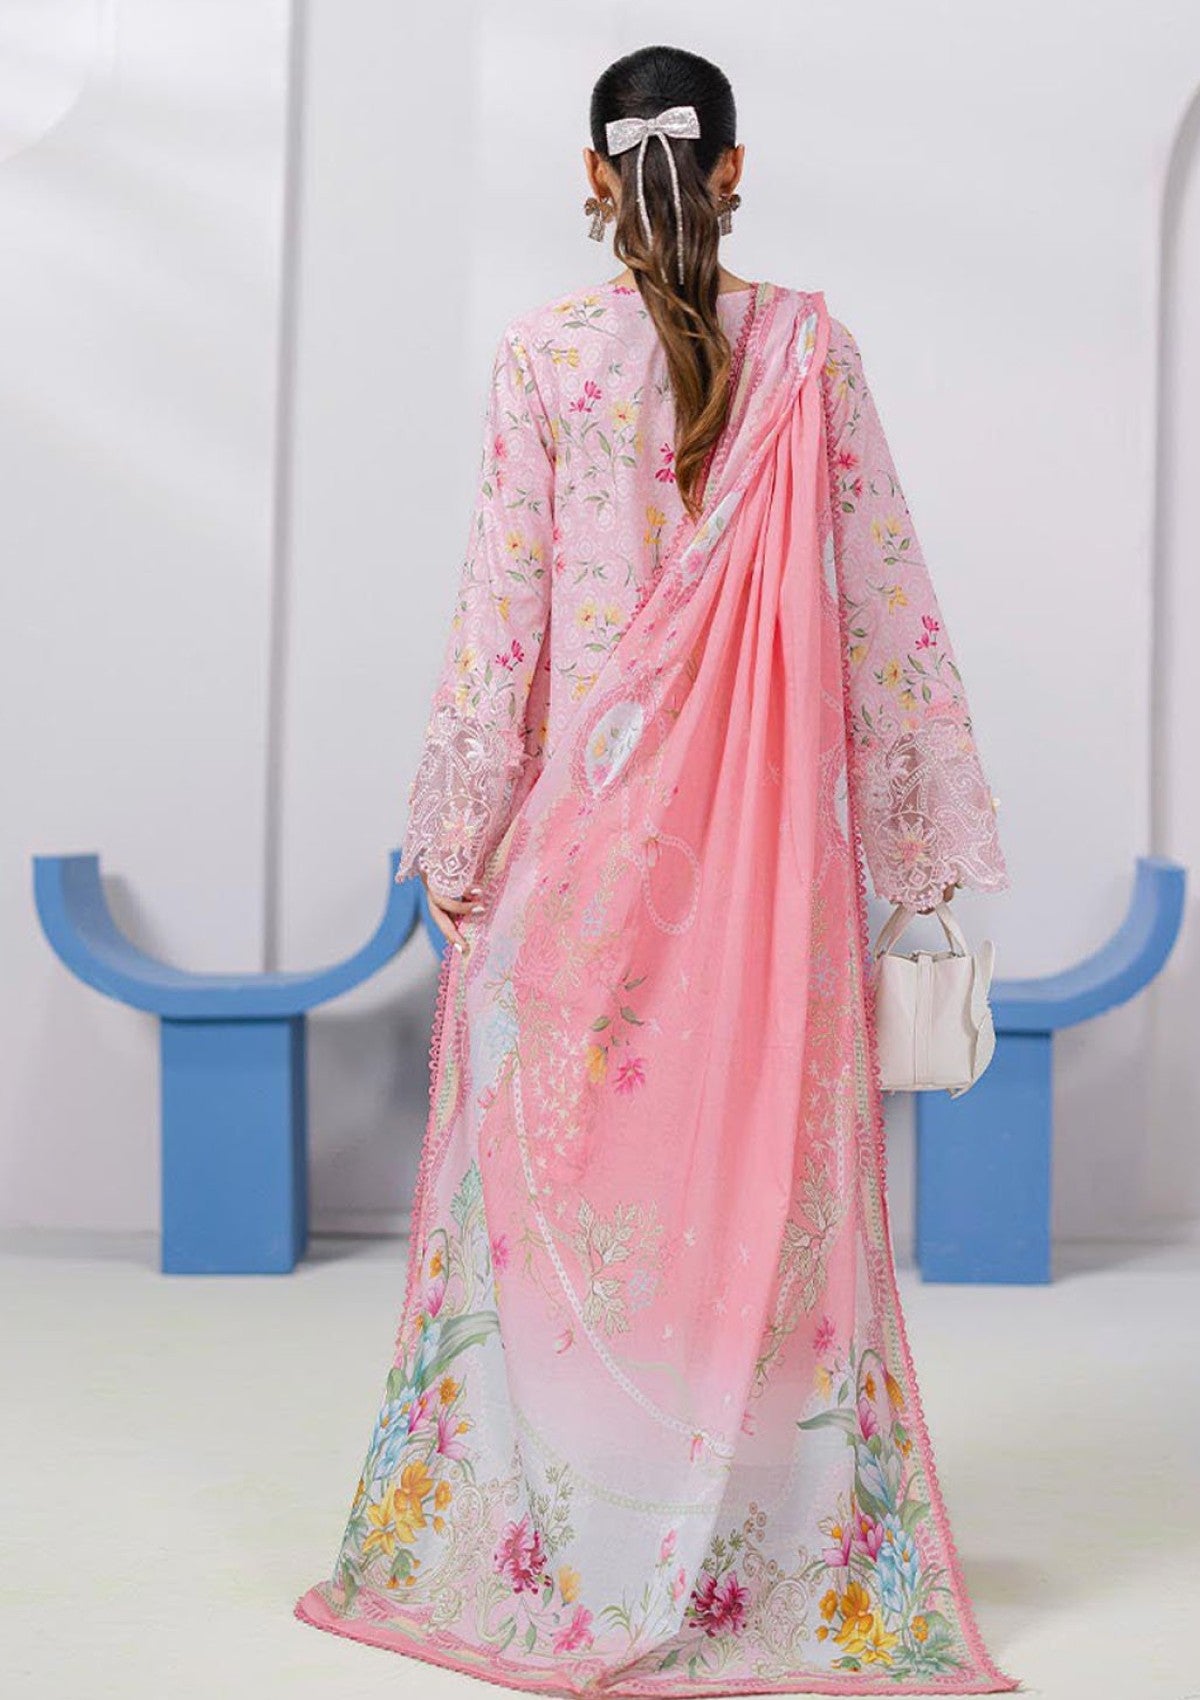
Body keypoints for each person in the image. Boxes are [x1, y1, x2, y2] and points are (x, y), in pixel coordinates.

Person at [294, 42, 1017, 1696]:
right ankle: (744, 1541)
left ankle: (576, 1543)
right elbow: (880, 604)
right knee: (750, 1189)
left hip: (587, 841)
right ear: (735, 169)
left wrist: (463, 840)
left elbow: (505, 616)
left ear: (593, 174)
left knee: (571, 1189)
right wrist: (914, 849)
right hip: (766, 865)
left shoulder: (545, 355)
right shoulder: (808, 350)